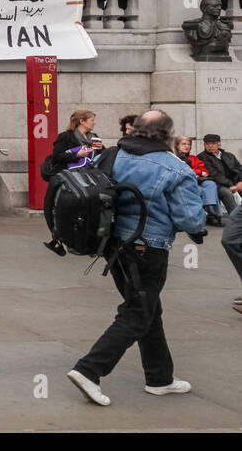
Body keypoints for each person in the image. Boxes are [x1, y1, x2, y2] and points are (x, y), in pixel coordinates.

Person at [66, 110, 205, 407]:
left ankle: (160, 378)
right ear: (168, 134)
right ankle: (89, 369)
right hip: (148, 247)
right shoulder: (175, 168)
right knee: (138, 312)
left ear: (136, 129)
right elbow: (191, 219)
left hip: (113, 244)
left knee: (148, 309)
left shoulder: (115, 155)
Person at [42, 109, 104, 255]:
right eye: (91, 120)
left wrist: (101, 150)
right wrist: (77, 154)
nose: (94, 122)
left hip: (88, 178)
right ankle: (60, 239)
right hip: (70, 179)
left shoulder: (94, 137)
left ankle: (86, 239)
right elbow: (57, 156)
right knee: (64, 208)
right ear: (82, 121)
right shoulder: (66, 137)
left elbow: (100, 156)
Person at [173, 136, 222, 226]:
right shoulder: (174, 158)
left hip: (198, 181)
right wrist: (198, 172)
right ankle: (210, 214)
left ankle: (211, 212)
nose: (187, 146)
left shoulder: (194, 158)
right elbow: (183, 171)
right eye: (184, 144)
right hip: (183, 184)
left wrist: (196, 172)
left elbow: (205, 172)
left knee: (210, 184)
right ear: (177, 146)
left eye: (189, 144)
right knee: (201, 189)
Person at [198, 133, 242, 220]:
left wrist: (240, 182)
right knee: (227, 192)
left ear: (219, 144)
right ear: (204, 145)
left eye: (213, 143)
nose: (210, 146)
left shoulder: (229, 155)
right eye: (207, 143)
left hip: (234, 183)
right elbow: (214, 175)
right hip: (217, 185)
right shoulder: (202, 157)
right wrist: (233, 185)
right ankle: (237, 219)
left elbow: (240, 169)